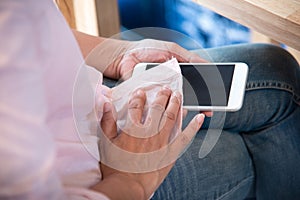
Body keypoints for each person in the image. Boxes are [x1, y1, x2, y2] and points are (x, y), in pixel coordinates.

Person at [0, 1, 299, 200]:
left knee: (273, 71)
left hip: (84, 100)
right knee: (243, 151)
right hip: (95, 183)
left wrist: (114, 54)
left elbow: (32, 25)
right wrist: (131, 182)